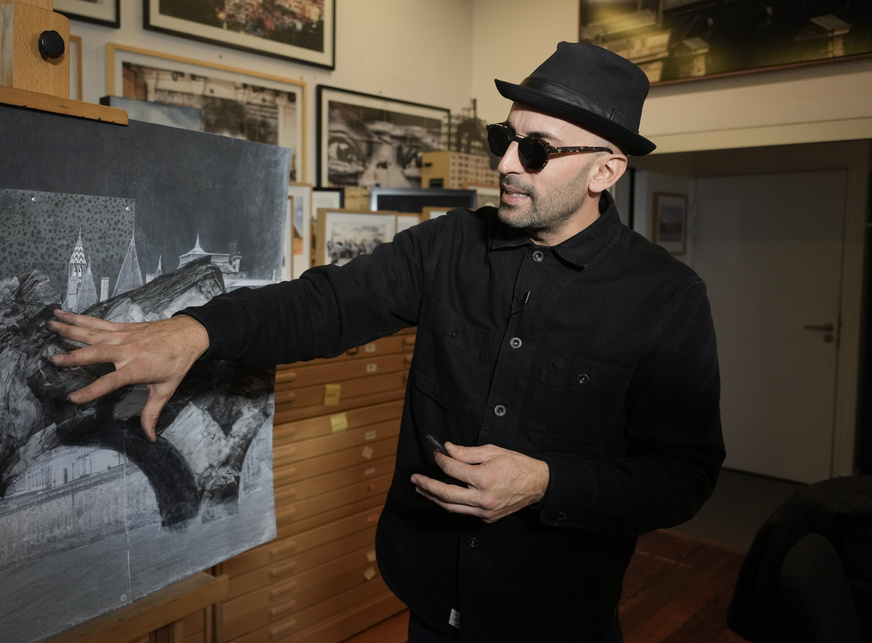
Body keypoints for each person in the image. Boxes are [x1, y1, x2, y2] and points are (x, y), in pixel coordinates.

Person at [48, 41, 725, 643]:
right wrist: (197, 329)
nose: (508, 163)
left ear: (604, 172)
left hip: (556, 616)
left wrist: (547, 482)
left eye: (538, 149)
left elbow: (684, 474)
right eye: (505, 138)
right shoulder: (450, 245)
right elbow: (327, 303)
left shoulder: (665, 298)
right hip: (430, 599)